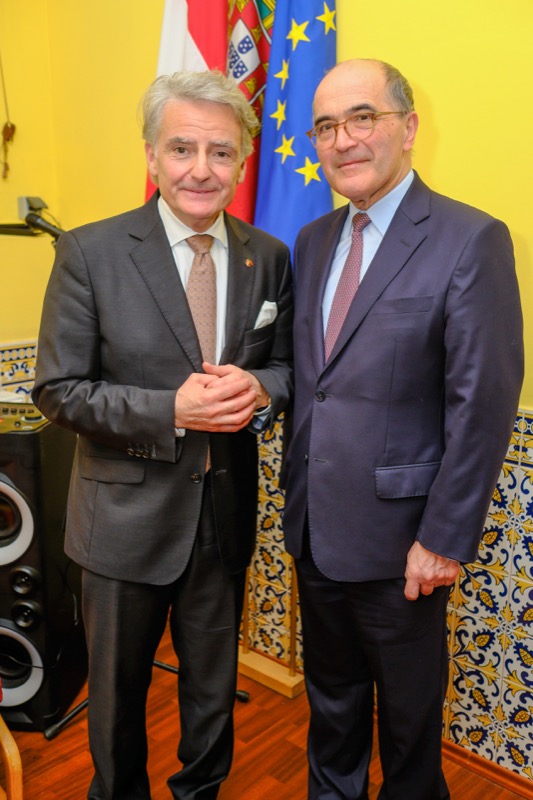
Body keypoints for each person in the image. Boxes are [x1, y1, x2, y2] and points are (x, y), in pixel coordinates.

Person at [32, 69, 292, 800]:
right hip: (122, 523)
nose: (201, 169)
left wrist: (261, 389)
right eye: (182, 148)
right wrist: (171, 410)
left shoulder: (268, 255)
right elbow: (58, 390)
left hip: (223, 518)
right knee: (116, 701)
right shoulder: (89, 251)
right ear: (151, 155)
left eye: (220, 152)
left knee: (212, 695)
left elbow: (287, 367)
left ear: (241, 162)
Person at [282, 59, 523, 800]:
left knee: (410, 733)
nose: (342, 140)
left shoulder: (470, 238)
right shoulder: (312, 240)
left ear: (409, 127)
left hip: (405, 548)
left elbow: (482, 402)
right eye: (326, 127)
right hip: (315, 532)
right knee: (332, 711)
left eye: (362, 118)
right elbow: (316, 382)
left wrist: (443, 539)